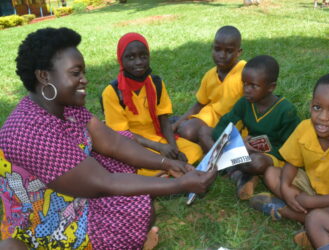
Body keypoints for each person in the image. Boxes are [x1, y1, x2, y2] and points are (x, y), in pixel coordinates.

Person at [0, 27, 216, 249]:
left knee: (136, 192)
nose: (84, 80)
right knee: (136, 204)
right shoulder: (30, 132)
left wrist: (168, 162)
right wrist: (180, 185)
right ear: (44, 76)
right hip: (48, 221)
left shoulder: (64, 107)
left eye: (83, 72)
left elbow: (112, 142)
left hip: (75, 193)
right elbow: (104, 184)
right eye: (76, 73)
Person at [254, 73, 329, 241]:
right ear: (311, 104)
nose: (322, 117)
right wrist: (285, 187)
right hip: (311, 189)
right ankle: (321, 225)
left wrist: (313, 203)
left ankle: (294, 215)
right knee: (272, 174)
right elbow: (292, 163)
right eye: (317, 107)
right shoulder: (305, 128)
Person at [199, 55, 300, 200]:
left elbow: (291, 149)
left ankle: (230, 168)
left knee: (256, 162)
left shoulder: (286, 111)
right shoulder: (244, 103)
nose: (246, 89)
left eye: (253, 85)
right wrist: (238, 144)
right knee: (204, 132)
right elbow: (222, 127)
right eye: (244, 83)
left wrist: (260, 150)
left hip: (269, 155)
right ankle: (238, 172)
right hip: (242, 149)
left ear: (271, 87)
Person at [101, 32, 203, 176]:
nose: (138, 62)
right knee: (141, 168)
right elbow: (122, 135)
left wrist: (174, 150)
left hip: (156, 137)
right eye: (130, 57)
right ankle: (169, 169)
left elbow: (164, 120)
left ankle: (166, 170)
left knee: (194, 150)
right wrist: (159, 147)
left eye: (143, 56)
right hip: (132, 144)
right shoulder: (112, 92)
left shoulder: (156, 83)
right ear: (120, 59)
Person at [172, 25, 246, 147]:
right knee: (187, 132)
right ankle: (179, 121)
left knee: (206, 135)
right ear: (212, 48)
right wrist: (178, 123)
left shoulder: (245, 71)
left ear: (239, 52)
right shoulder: (210, 75)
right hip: (211, 116)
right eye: (217, 49)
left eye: (229, 51)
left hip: (234, 121)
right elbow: (200, 104)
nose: (222, 55)